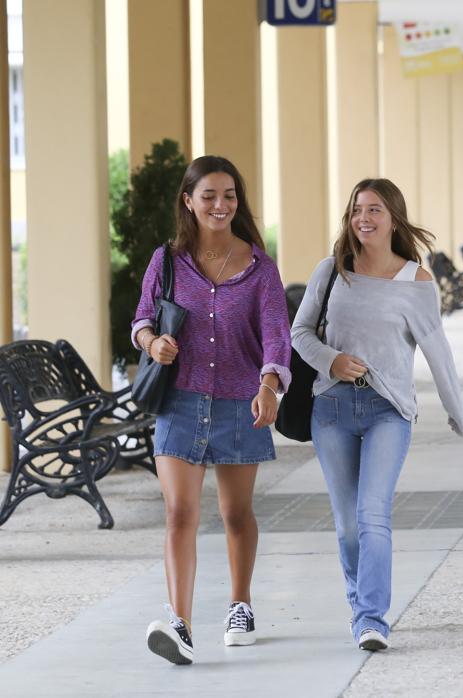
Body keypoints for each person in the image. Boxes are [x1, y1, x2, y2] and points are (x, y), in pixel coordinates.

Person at [291, 178, 463, 652]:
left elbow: (438, 351)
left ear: (393, 217)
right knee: (348, 524)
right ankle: (359, 603)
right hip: (330, 409)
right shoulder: (331, 271)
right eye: (356, 210)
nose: (363, 218)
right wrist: (331, 360)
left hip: (388, 411)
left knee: (373, 515)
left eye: (373, 210)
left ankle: (371, 617)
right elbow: (299, 332)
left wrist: (457, 413)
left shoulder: (417, 282)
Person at [134, 156, 291, 665]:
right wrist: (153, 341)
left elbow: (276, 335)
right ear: (189, 201)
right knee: (179, 512)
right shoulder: (167, 260)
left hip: (239, 401)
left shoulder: (259, 267)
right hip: (179, 401)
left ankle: (240, 605)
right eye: (209, 196)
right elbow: (141, 320)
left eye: (229, 196)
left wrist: (269, 385)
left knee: (235, 513)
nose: (220, 205)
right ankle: (178, 623)